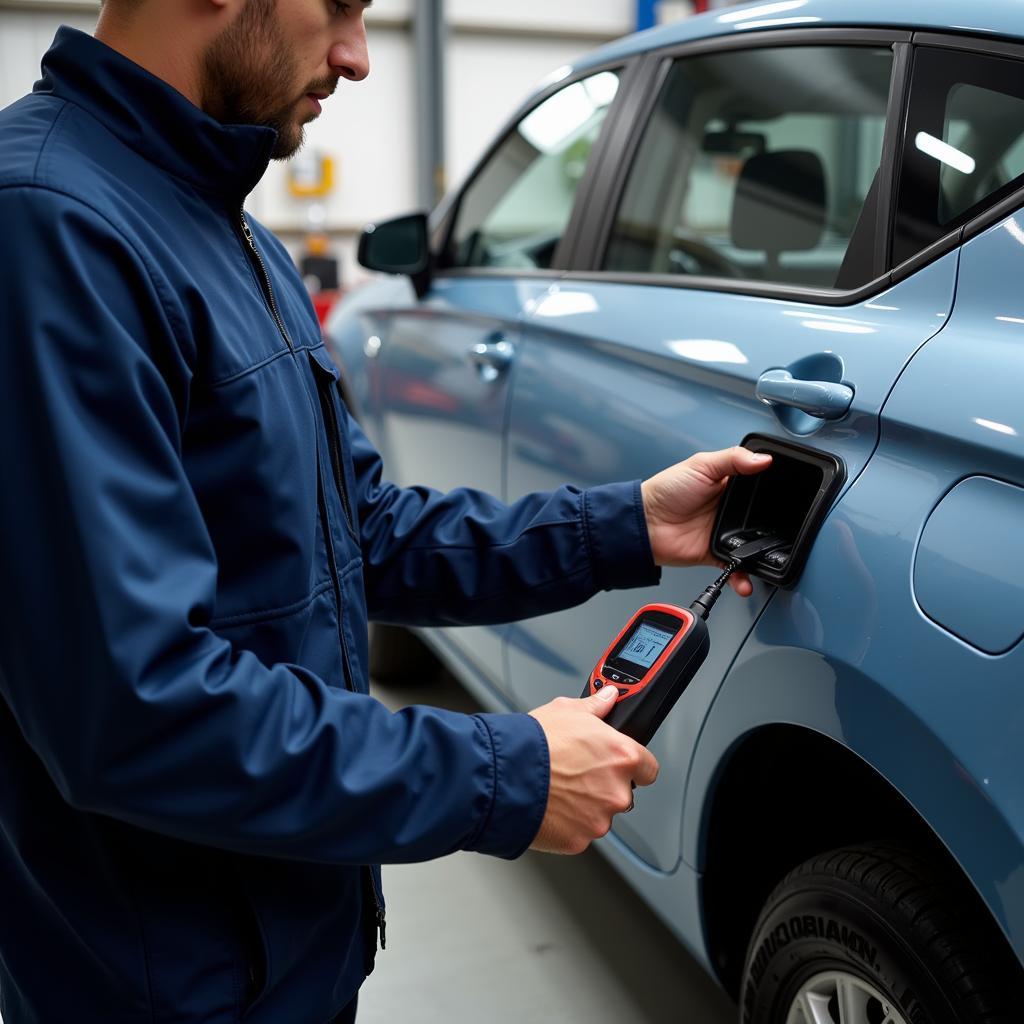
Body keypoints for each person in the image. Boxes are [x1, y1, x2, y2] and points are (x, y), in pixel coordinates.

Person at [0, 1, 771, 1021]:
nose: (359, 58)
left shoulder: (220, 224)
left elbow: (353, 529)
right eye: (343, 7)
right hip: (162, 976)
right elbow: (132, 708)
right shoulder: (49, 226)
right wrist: (502, 773)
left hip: (286, 936)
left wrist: (622, 524)